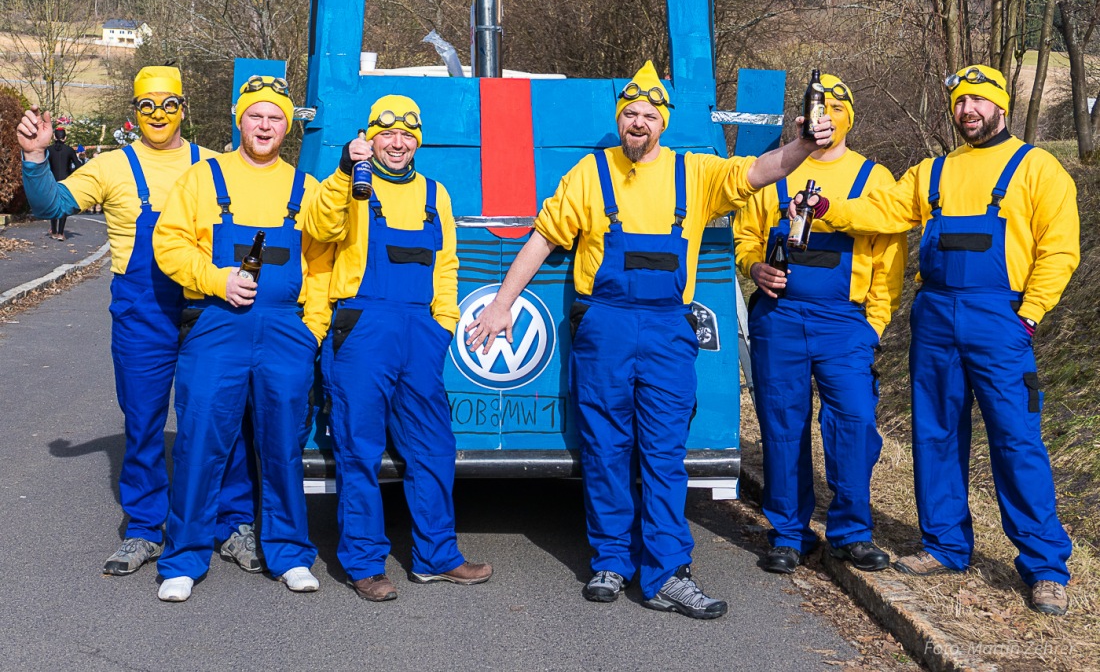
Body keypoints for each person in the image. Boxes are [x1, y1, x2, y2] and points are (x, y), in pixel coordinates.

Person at [466, 60, 835, 620]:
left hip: (667, 331)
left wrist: (804, 145)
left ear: (663, 122)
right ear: (621, 120)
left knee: (664, 455)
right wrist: (501, 303)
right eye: (630, 114)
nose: (638, 123)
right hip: (606, 329)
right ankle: (611, 562)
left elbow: (761, 171)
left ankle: (666, 574)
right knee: (607, 450)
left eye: (648, 115)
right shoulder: (588, 175)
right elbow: (543, 238)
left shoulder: (698, 173)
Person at [796, 64, 1078, 616]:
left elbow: (1060, 250)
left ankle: (1045, 566)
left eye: (978, 102)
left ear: (1000, 107)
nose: (967, 111)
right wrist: (829, 210)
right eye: (960, 103)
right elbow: (882, 212)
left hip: (1002, 319)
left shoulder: (1039, 169)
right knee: (936, 434)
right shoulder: (931, 172)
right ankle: (946, 546)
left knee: (1016, 440)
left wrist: (1031, 316)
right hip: (936, 318)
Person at [17, 67, 261, 577]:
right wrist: (36, 157)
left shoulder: (216, 165)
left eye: (168, 104)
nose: (158, 115)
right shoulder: (110, 167)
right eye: (147, 106)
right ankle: (147, 529)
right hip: (141, 311)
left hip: (206, 308)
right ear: (135, 111)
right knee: (144, 421)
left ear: (183, 107)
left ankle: (233, 523)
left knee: (221, 418)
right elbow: (51, 204)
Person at [152, 75, 334, 602]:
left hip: (285, 332)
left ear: (286, 129)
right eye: (256, 115)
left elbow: (325, 263)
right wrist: (216, 280)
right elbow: (170, 246)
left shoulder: (309, 188)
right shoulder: (202, 179)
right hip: (216, 326)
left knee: (282, 446)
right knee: (200, 443)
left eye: (275, 118)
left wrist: (312, 329)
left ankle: (290, 553)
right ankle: (183, 558)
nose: (265, 126)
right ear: (240, 120)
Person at [303, 94, 492, 601]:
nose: (397, 142)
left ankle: (437, 556)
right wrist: (347, 170)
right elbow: (318, 227)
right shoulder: (350, 187)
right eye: (386, 133)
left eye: (407, 134)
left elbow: (448, 265)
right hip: (363, 330)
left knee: (433, 448)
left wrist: (444, 325)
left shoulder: (436, 194)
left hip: (420, 334)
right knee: (359, 451)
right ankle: (364, 563)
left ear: (417, 140)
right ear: (371, 137)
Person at [733, 74, 905, 575]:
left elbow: (890, 255)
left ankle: (852, 532)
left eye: (832, 107)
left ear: (848, 115)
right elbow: (745, 237)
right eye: (813, 108)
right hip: (778, 320)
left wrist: (873, 323)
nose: (822, 115)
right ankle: (788, 532)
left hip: (844, 323)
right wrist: (753, 268)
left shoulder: (874, 178)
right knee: (783, 426)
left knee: (853, 422)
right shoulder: (776, 170)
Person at [46, 126, 82, 240]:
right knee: (63, 206)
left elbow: (44, 166)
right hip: (66, 181)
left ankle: (53, 231)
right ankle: (61, 233)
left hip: (52, 179)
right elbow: (78, 165)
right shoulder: (69, 150)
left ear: (54, 137)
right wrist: (70, 172)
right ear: (65, 138)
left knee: (53, 205)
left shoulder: (49, 150)